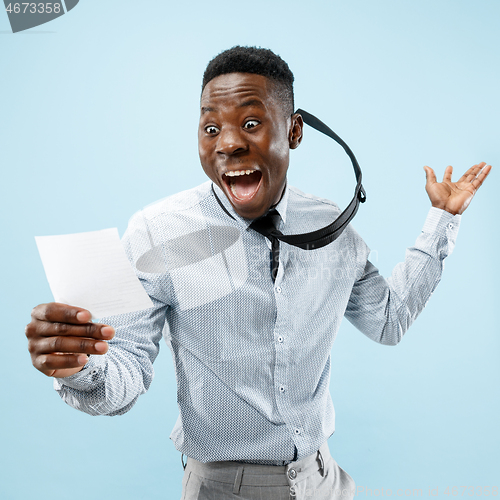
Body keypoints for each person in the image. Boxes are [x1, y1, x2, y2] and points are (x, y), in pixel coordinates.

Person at [26, 46, 491, 500]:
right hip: (221, 489)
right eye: (211, 128)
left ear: (294, 131)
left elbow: (388, 321)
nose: (228, 143)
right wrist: (80, 366)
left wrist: (442, 221)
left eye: (251, 123)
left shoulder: (329, 224)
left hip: (323, 480)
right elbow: (123, 376)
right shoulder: (158, 232)